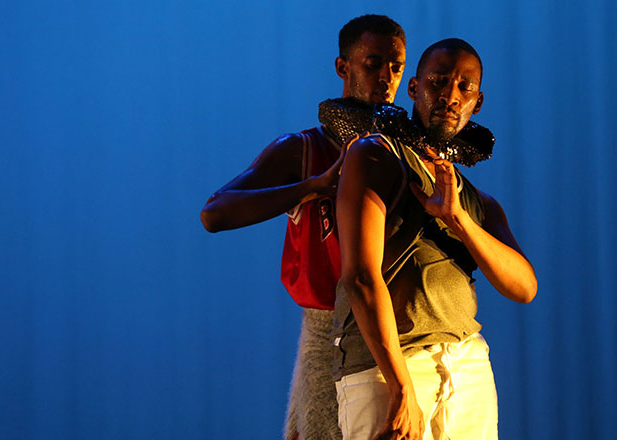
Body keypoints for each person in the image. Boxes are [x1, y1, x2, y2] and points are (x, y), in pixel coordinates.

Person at [199, 15, 406, 440]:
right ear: (342, 67)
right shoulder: (304, 148)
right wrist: (311, 186)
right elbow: (215, 213)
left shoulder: (401, 151)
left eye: (397, 66)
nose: (386, 77)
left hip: (398, 325)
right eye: (373, 63)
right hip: (329, 328)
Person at [332, 38, 538, 440]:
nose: (450, 95)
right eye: (438, 82)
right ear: (414, 88)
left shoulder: (476, 202)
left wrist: (458, 219)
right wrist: (401, 386)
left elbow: (524, 287)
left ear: (477, 103)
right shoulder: (376, 155)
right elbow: (360, 276)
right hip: (390, 367)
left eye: (465, 87)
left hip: (466, 362)